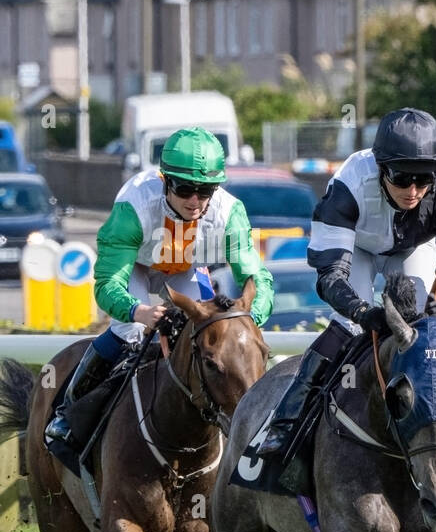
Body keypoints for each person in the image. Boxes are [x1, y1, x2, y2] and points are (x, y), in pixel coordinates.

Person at [250, 107, 436, 461]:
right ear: (381, 167)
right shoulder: (349, 184)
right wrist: (364, 312)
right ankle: (287, 420)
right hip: (358, 250)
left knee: (428, 331)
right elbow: (330, 277)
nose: (412, 190)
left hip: (414, 248)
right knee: (349, 325)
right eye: (401, 178)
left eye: (423, 178)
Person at [44, 127, 273, 451]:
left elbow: (257, 278)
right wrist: (139, 311)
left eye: (206, 190)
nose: (195, 201)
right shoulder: (133, 206)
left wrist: (252, 317)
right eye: (184, 189)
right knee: (129, 332)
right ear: (165, 180)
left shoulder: (229, 213)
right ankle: (68, 413)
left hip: (184, 269)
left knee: (217, 337)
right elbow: (108, 285)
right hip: (136, 266)